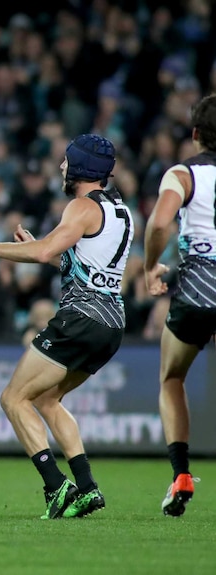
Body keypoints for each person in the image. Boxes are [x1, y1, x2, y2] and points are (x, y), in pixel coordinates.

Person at [0, 133, 133, 519]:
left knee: (12, 398)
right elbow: (81, 266)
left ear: (82, 167)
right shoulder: (121, 211)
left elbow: (42, 253)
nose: (61, 167)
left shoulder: (81, 207)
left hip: (80, 319)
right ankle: (87, 488)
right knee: (47, 399)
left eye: (67, 161)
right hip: (111, 325)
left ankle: (56, 486)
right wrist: (45, 245)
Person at [143, 94, 216, 517]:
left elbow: (158, 223)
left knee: (172, 377)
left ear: (195, 135)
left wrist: (152, 267)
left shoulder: (183, 174)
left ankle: (181, 475)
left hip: (199, 287)